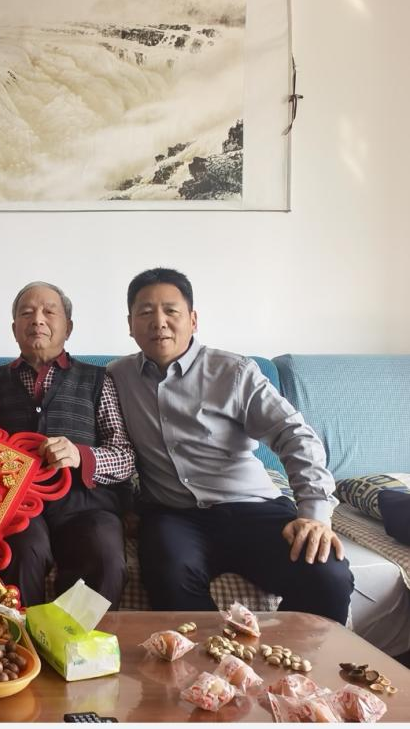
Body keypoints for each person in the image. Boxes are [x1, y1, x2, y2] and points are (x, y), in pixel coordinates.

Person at [108, 267, 354, 623]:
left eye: (171, 311)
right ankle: (213, 657)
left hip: (251, 508)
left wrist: (314, 514)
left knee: (327, 575)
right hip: (174, 515)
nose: (159, 322)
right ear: (130, 325)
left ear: (193, 320)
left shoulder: (234, 372)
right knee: (169, 575)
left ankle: (287, 654)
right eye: (145, 312)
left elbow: (294, 435)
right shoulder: (116, 377)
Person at [0, 282, 135, 607]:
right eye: (27, 313)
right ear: (14, 328)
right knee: (22, 552)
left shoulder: (98, 379)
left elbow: (124, 457)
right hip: (17, 505)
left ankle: (73, 637)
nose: (37, 319)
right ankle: (20, 637)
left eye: (49, 312)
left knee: (105, 557)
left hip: (86, 504)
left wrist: (80, 455)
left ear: (68, 327)